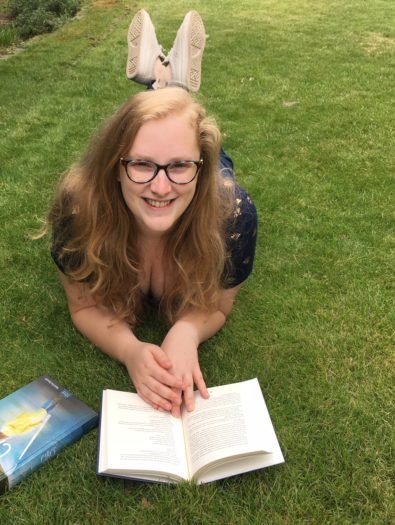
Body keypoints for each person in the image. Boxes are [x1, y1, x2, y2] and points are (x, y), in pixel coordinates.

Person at [47, 10, 257, 417]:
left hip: (210, 185)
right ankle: (166, 82)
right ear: (114, 166)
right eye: (140, 164)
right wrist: (129, 350)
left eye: (181, 166)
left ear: (200, 168)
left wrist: (187, 331)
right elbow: (83, 306)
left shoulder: (233, 215)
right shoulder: (78, 210)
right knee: (165, 137)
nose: (160, 188)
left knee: (201, 152)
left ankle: (165, 83)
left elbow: (219, 305)